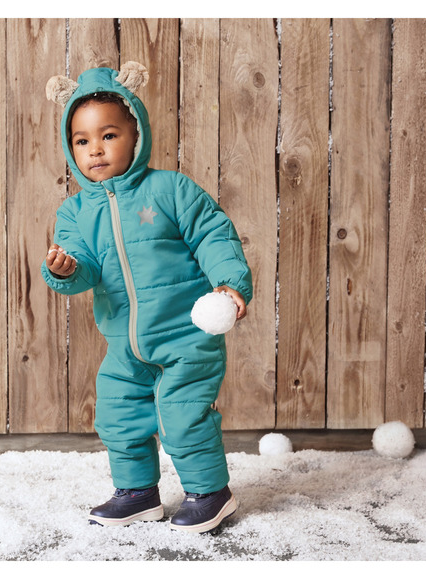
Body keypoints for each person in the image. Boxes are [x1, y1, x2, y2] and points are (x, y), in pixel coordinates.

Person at [41, 62, 252, 534]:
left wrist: (230, 282)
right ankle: (137, 493)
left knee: (183, 417)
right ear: (71, 147)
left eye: (109, 135)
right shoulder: (74, 212)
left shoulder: (171, 190)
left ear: (136, 135)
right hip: (125, 345)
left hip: (186, 337)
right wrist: (65, 271)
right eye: (82, 140)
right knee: (118, 415)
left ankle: (210, 493)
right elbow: (83, 269)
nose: (95, 149)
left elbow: (214, 235)